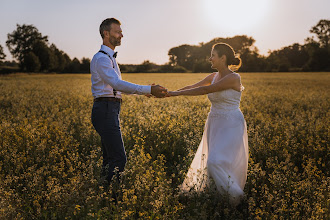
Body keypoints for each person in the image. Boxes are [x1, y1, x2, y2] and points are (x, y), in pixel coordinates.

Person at [167, 43, 249, 205]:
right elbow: (194, 87)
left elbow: (206, 90)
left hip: (231, 123)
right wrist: (170, 93)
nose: (210, 58)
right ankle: (221, 199)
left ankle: (237, 198)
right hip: (214, 122)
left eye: (213, 55)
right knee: (215, 160)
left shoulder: (234, 77)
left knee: (215, 161)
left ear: (223, 58)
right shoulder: (213, 76)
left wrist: (175, 94)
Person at [90, 18, 167, 184]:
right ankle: (112, 198)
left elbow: (116, 89)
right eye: (117, 32)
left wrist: (145, 92)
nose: (121, 35)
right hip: (105, 110)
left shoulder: (109, 58)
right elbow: (117, 84)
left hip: (109, 109)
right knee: (119, 159)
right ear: (106, 33)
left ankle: (103, 195)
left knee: (110, 158)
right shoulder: (102, 59)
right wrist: (148, 89)